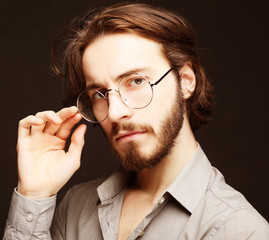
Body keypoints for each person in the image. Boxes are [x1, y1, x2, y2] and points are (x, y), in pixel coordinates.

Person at [3, 2, 269, 240]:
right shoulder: (75, 208)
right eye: (99, 94)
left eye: (136, 81)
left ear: (186, 81)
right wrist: (34, 195)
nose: (116, 112)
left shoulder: (238, 230)